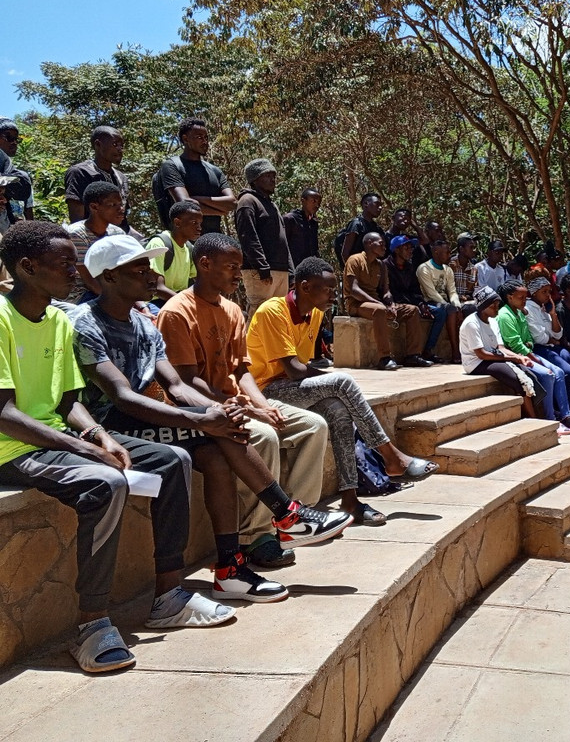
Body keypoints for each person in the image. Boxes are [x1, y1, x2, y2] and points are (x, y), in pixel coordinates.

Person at [0, 222, 235, 674]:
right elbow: (5, 413)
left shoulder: (57, 320)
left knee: (173, 459)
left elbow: (69, 403)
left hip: (52, 436)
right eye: (64, 263)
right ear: (27, 268)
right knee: (104, 484)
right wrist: (84, 449)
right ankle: (92, 625)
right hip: (10, 448)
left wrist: (99, 436)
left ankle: (168, 596)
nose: (75, 271)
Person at [71, 236, 351, 602]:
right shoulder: (86, 323)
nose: (151, 274)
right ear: (107, 277)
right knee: (219, 435)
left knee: (221, 445)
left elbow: (174, 383)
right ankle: (287, 515)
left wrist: (211, 411)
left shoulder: (145, 326)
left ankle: (232, 567)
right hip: (113, 424)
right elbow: (123, 398)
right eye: (139, 268)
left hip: (150, 416)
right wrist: (201, 421)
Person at [156, 233, 337, 568]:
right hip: (199, 406)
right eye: (231, 267)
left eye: (239, 267)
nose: (238, 274)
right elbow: (185, 380)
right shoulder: (177, 312)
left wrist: (262, 405)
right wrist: (251, 409)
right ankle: (257, 536)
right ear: (204, 264)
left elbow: (241, 372)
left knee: (314, 426)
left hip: (239, 400)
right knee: (264, 436)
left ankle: (294, 521)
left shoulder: (233, 310)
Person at [247, 256, 439, 521]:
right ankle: (391, 456)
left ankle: (350, 499)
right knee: (342, 382)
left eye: (334, 290)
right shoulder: (273, 311)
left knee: (338, 408)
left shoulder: (314, 313)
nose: (333, 296)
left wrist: (330, 383)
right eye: (326, 290)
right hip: (266, 391)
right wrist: (333, 381)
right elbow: (293, 369)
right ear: (304, 287)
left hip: (292, 387)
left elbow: (305, 368)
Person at [343, 232, 431, 370]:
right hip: (356, 304)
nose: (385, 247)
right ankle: (384, 358)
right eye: (381, 244)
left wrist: (390, 303)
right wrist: (379, 304)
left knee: (412, 310)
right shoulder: (355, 260)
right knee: (379, 310)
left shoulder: (381, 265)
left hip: (376, 303)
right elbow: (354, 290)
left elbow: (386, 291)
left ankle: (412, 355)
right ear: (369, 243)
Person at [495, 279, 570, 431]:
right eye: (521, 298)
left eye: (525, 297)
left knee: (559, 372)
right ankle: (549, 418)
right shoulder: (505, 315)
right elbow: (516, 344)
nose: (525, 301)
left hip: (527, 352)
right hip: (515, 356)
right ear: (510, 297)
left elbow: (528, 340)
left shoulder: (520, 312)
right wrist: (533, 356)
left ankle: (566, 415)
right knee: (548, 374)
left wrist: (528, 346)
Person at [458, 286, 539, 417]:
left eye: (497, 305)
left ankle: (536, 412)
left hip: (493, 356)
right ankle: (532, 417)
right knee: (517, 379)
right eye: (493, 306)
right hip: (476, 363)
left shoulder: (493, 321)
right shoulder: (472, 324)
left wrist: (520, 357)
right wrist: (512, 359)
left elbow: (500, 348)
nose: (497, 309)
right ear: (483, 307)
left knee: (530, 374)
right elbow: (481, 354)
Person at [153, 118, 236, 234]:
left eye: (206, 137)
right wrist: (220, 211)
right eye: (199, 137)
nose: (205, 141)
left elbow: (232, 203)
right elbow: (186, 207)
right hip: (185, 241)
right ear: (185, 139)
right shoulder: (172, 166)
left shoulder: (215, 171)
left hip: (213, 238)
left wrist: (196, 199)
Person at [235, 158, 294, 315]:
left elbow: (283, 241)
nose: (272, 180)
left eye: (273, 176)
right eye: (267, 176)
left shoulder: (272, 205)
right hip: (260, 270)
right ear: (254, 179)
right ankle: (246, 341)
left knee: (276, 315)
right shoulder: (247, 201)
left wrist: (291, 271)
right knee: (258, 313)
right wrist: (262, 266)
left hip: (280, 270)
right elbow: (248, 237)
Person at [386, 234, 446, 363]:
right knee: (413, 311)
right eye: (406, 248)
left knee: (440, 311)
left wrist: (421, 303)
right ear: (396, 250)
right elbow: (387, 291)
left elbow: (415, 290)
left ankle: (428, 350)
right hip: (395, 304)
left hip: (412, 303)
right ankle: (412, 355)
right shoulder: (386, 266)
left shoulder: (409, 267)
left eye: (411, 248)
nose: (410, 251)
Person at [64, 181, 127, 304]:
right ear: (94, 207)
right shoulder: (76, 234)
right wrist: (120, 302)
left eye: (121, 204)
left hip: (110, 290)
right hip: (80, 295)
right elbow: (89, 281)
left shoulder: (117, 233)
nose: (121, 209)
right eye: (113, 205)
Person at [64, 126, 130, 225]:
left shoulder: (121, 178)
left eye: (122, 146)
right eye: (115, 144)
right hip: (91, 239)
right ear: (98, 145)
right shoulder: (80, 173)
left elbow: (123, 223)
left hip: (117, 237)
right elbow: (77, 222)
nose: (120, 149)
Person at [524, 277, 570, 389]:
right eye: (543, 292)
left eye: (549, 291)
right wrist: (552, 340)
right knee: (569, 372)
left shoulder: (544, 308)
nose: (548, 295)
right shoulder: (528, 309)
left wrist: (553, 315)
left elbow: (558, 334)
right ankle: (567, 403)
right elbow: (539, 338)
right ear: (534, 293)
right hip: (540, 348)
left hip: (552, 346)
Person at [416, 237, 462, 363]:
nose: (449, 255)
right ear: (436, 252)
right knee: (447, 311)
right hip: (430, 302)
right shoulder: (424, 269)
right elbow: (431, 293)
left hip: (446, 302)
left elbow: (452, 291)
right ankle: (454, 351)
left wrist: (457, 305)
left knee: (466, 309)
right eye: (447, 252)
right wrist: (449, 306)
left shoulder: (448, 270)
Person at [146, 199, 202, 304]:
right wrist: (188, 304)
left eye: (200, 223)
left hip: (178, 300)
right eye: (194, 223)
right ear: (177, 222)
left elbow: (200, 281)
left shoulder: (190, 249)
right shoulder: (159, 244)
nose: (199, 228)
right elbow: (158, 288)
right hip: (156, 302)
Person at [0, 119, 32, 225]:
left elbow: (28, 214)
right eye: (8, 137)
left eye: (16, 139)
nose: (14, 143)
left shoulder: (21, 177)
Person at [337, 193, 385, 263]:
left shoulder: (376, 228)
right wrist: (351, 269)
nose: (380, 207)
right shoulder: (356, 224)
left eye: (381, 205)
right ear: (366, 204)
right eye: (377, 204)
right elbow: (345, 253)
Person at [283, 187, 321, 266]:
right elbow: (282, 246)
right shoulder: (290, 219)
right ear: (303, 201)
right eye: (314, 201)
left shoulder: (313, 222)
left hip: (309, 269)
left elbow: (314, 248)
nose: (317, 205)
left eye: (319, 202)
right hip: (293, 268)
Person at [450, 232, 481, 310]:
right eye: (471, 247)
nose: (474, 250)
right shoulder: (450, 265)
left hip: (467, 303)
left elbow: (475, 290)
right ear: (461, 249)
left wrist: (469, 295)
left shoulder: (474, 269)